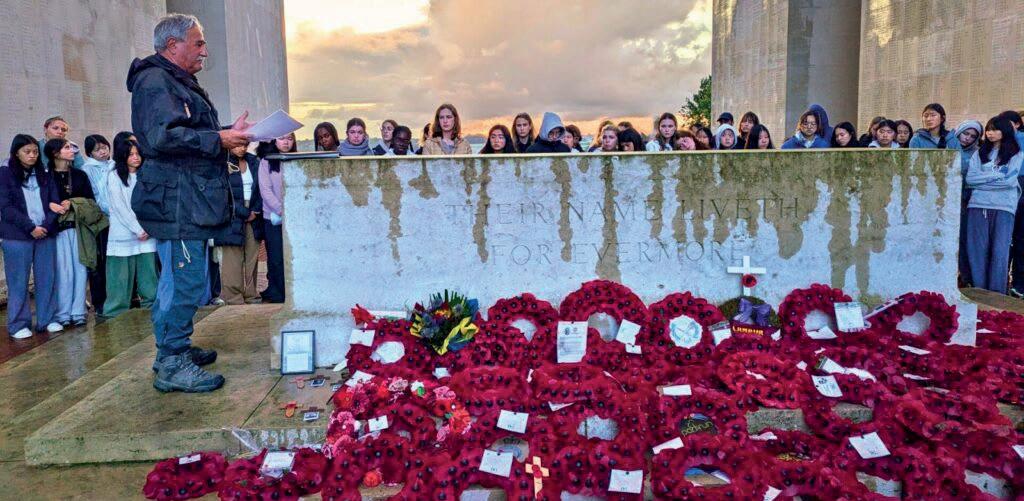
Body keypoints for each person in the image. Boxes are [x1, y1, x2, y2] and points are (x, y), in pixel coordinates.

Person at [128, 13, 254, 392]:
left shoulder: (173, 81)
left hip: (183, 199)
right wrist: (220, 139)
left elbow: (189, 133)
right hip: (177, 202)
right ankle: (172, 362)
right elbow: (163, 138)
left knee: (180, 280)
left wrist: (226, 133)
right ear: (173, 45)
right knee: (184, 282)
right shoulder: (156, 81)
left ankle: (172, 349)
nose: (204, 51)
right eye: (198, 43)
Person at [0, 135, 62, 338]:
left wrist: (45, 225)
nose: (32, 155)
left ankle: (48, 319)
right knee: (18, 281)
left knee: (47, 278)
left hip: (45, 233)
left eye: (35, 151)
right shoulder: (5, 173)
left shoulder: (44, 173)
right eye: (27, 151)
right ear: (16, 152)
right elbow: (6, 207)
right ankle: (18, 324)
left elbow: (54, 203)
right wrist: (30, 227)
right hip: (17, 235)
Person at [965, 117, 1023, 294]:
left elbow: (1009, 181)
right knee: (977, 250)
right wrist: (996, 176)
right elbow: (970, 179)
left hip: (1004, 207)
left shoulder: (1016, 154)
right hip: (977, 205)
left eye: (995, 129)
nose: (990, 133)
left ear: (1005, 131)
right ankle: (979, 292)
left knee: (1000, 251)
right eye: (988, 130)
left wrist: (983, 180)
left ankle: (997, 295)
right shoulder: (979, 153)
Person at [45, 138, 97, 328]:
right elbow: (41, 201)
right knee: (63, 271)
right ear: (55, 153)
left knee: (80, 268)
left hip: (78, 227)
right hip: (57, 230)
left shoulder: (79, 175)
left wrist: (73, 203)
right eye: (67, 148)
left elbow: (91, 201)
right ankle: (62, 312)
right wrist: (52, 206)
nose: (72, 151)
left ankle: (78, 311)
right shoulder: (46, 176)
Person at [104, 139, 157, 318]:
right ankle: (114, 314)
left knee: (149, 276)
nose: (136, 158)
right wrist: (137, 228)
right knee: (119, 278)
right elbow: (119, 206)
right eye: (131, 154)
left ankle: (151, 309)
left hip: (147, 233)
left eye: (138, 154)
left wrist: (147, 227)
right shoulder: (114, 176)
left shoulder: (146, 175)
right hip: (123, 233)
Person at [215, 144, 262, 305]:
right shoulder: (222, 163)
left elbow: (261, 188)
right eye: (237, 145)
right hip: (231, 215)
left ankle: (251, 294)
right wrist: (244, 212)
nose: (242, 148)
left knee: (252, 256)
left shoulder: (254, 161)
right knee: (232, 258)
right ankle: (233, 297)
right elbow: (221, 194)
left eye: (245, 144)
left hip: (254, 213)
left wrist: (255, 210)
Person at [258, 133, 295, 304]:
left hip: (294, 218)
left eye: (290, 138)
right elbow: (265, 190)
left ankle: (292, 292)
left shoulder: (296, 160)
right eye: (282, 138)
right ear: (274, 140)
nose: (286, 142)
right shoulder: (266, 162)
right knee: (276, 257)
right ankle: (278, 293)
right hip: (273, 217)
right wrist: (281, 210)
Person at [82, 134, 116, 315]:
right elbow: (96, 194)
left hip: (119, 219)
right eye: (97, 150)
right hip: (101, 220)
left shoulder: (114, 165)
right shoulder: (87, 169)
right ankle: (100, 301)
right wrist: (111, 210)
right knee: (100, 262)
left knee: (116, 260)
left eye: (105, 147)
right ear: (90, 153)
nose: (103, 152)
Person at [949, 120, 983, 288]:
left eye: (972, 136)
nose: (967, 138)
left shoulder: (977, 153)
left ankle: (965, 277)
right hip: (947, 199)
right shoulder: (948, 146)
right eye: (965, 133)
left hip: (966, 201)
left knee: (964, 240)